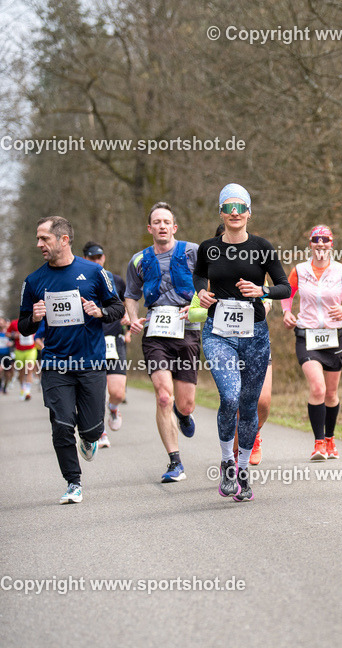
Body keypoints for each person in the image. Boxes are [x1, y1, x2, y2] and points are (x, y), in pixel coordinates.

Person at [17, 216, 125, 504]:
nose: (39, 244)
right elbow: (23, 325)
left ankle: (89, 436)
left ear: (63, 240)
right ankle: (73, 483)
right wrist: (34, 317)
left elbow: (117, 307)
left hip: (90, 362)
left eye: (44, 239)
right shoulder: (34, 280)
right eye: (38, 239)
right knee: (61, 423)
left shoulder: (94, 273)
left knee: (92, 428)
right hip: (55, 364)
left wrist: (99, 312)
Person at [194, 184, 290, 502]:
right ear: (221, 213)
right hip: (218, 333)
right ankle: (226, 461)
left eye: (240, 207)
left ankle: (244, 469)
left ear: (249, 212)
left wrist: (261, 291)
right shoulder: (208, 247)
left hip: (255, 334)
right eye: (228, 207)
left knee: (250, 406)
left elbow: (285, 287)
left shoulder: (262, 247)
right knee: (231, 396)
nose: (234, 213)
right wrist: (201, 292)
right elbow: (198, 275)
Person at [125, 202, 201, 483]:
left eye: (166, 222)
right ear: (150, 228)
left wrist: (195, 304)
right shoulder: (139, 260)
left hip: (188, 331)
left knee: (186, 404)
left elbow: (209, 285)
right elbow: (131, 295)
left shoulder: (193, 252)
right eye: (156, 222)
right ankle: (175, 462)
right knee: (163, 396)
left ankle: (183, 416)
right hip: (156, 333)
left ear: (174, 227)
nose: (161, 226)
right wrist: (132, 317)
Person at [282, 225, 342, 460]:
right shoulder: (299, 270)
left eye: (325, 240)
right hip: (306, 335)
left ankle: (330, 439)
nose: (321, 244)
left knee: (331, 393)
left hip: (333, 337)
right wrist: (286, 313)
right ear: (310, 244)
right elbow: (287, 294)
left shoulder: (341, 271)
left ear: (331, 244)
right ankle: (318, 443)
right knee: (317, 388)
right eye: (316, 240)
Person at [214, 224, 271, 466]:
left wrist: (264, 304)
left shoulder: (254, 263)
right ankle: (235, 455)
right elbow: (198, 302)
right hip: (224, 342)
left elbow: (269, 295)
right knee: (232, 398)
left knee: (262, 401)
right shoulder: (210, 272)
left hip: (256, 339)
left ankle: (252, 435)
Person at [82, 241, 130, 447]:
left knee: (118, 392)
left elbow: (127, 302)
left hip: (113, 340)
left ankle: (113, 407)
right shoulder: (79, 281)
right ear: (85, 259)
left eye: (99, 257)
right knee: (94, 391)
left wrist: (128, 320)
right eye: (92, 258)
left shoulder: (116, 280)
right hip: (89, 341)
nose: (96, 261)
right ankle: (100, 432)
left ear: (104, 258)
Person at [7, 318, 38, 400]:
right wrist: (14, 335)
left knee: (29, 370)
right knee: (21, 372)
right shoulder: (14, 323)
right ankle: (22, 388)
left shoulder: (34, 320)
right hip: (19, 351)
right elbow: (7, 333)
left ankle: (27, 392)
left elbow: (40, 330)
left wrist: (35, 334)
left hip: (31, 350)